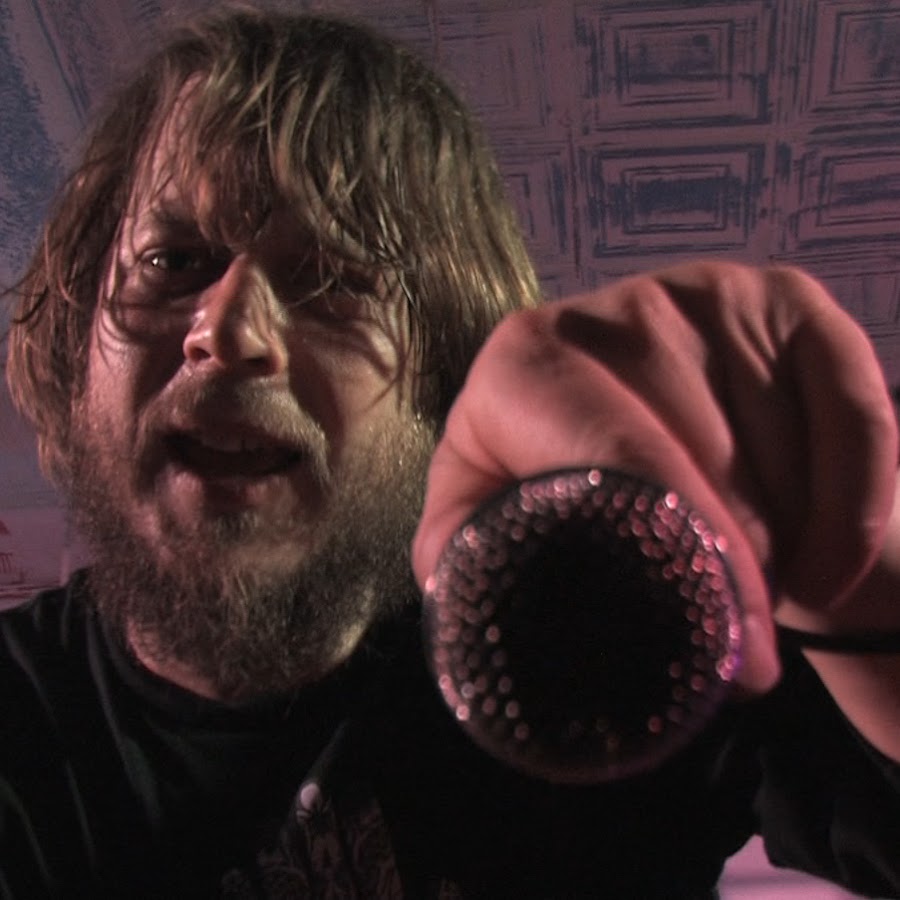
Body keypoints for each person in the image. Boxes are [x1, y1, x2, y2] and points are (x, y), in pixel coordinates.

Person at [2, 7, 899, 898]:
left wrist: (849, 560)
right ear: (78, 347)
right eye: (171, 261)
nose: (229, 331)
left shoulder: (600, 639)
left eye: (334, 277)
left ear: (442, 389)